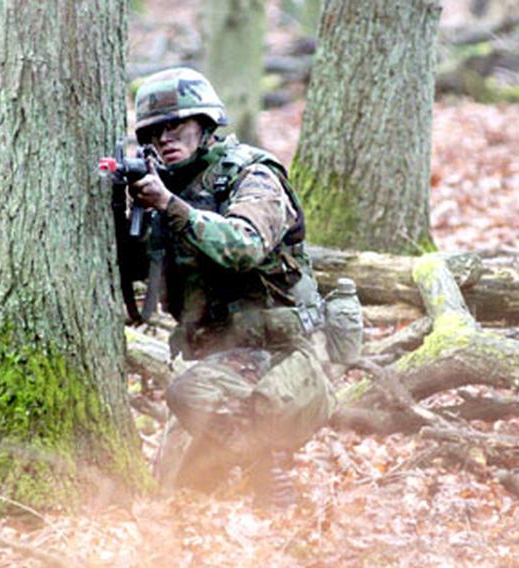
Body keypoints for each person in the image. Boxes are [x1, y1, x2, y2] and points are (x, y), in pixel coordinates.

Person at [126, 67, 356, 507]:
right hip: (222, 363)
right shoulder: (170, 192)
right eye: (154, 133)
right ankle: (254, 462)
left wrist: (171, 207)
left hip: (288, 358)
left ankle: (265, 465)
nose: (165, 139)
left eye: (176, 125)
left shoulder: (253, 176)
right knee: (177, 493)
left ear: (205, 124)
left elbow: (243, 247)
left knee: (189, 395)